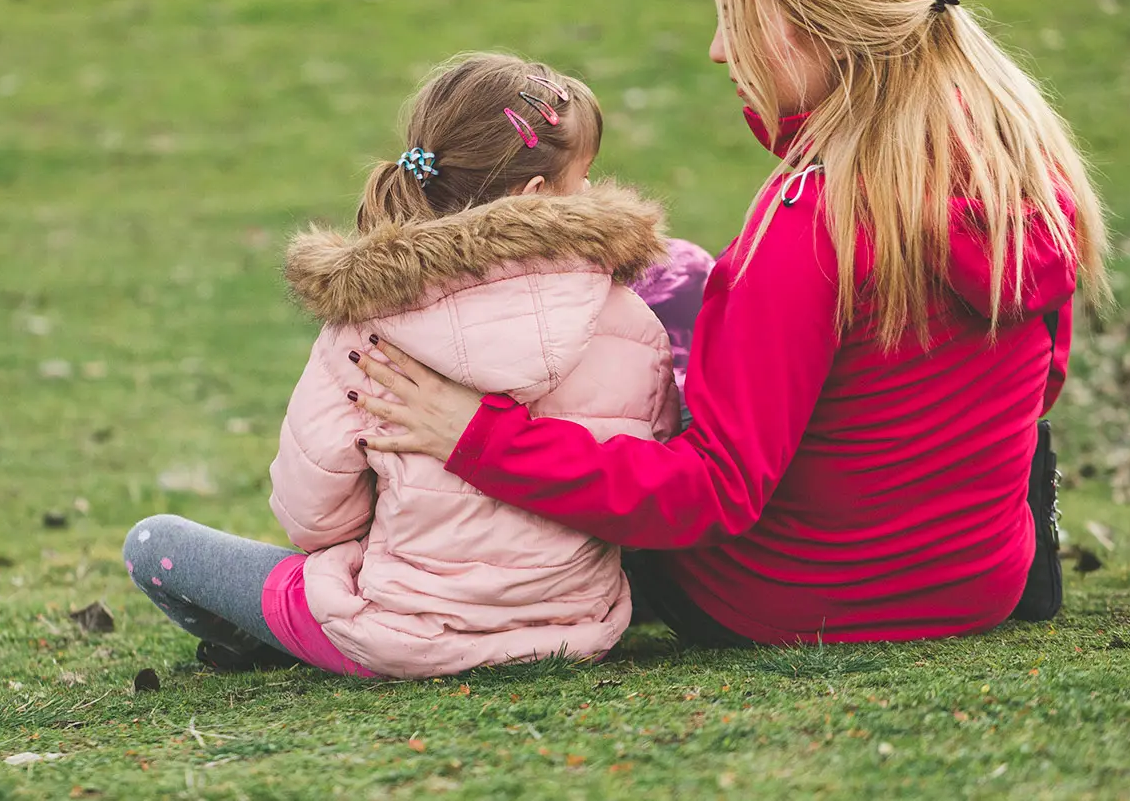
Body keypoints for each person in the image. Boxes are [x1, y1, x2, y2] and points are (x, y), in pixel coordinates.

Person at [349, 0, 1110, 646]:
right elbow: (1039, 384)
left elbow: (712, 493)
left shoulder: (818, 224)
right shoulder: (1020, 169)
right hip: (974, 582)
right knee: (677, 273)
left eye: (732, 17)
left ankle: (373, 587)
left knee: (649, 301)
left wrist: (476, 437)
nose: (719, 50)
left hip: (779, 599)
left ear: (801, 25)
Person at [124, 53, 704, 677]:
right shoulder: (631, 322)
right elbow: (645, 479)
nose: (593, 192)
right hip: (581, 627)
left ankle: (268, 641)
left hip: (400, 637)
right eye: (585, 176)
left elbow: (314, 517)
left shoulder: (368, 328)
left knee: (154, 544)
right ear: (535, 197)